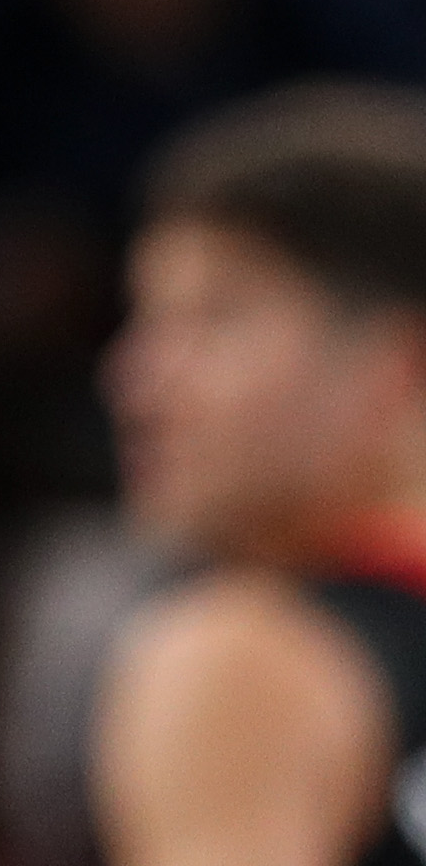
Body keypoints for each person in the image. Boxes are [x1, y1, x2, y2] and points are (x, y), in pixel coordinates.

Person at [95, 81, 426, 866]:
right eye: (148, 321)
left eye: (213, 318)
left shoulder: (244, 664)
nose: (136, 381)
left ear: (400, 365)